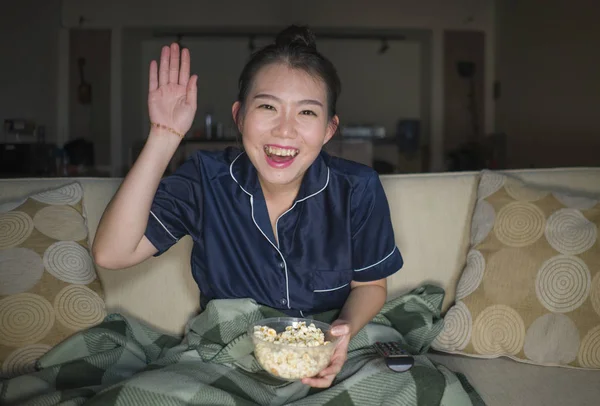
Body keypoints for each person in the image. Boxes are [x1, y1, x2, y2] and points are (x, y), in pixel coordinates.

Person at [92, 25, 403, 388]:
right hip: (224, 355)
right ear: (239, 116)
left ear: (329, 129)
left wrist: (339, 334)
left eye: (306, 113)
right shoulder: (205, 180)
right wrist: (164, 136)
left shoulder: (357, 188)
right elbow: (112, 254)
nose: (285, 130)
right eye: (268, 107)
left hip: (331, 350)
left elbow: (370, 286)